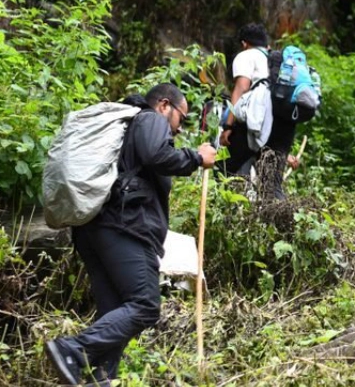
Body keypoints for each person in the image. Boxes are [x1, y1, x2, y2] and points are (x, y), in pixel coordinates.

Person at [45, 85, 217, 385]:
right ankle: (72, 349)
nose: (180, 128)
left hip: (95, 230)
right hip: (123, 228)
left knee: (114, 314)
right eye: (182, 118)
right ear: (165, 105)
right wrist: (196, 158)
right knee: (145, 304)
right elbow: (157, 155)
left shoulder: (130, 128)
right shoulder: (149, 119)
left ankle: (100, 379)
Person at [218, 24, 299, 195]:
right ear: (266, 44)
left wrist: (228, 126)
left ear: (244, 43)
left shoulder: (246, 55)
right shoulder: (278, 62)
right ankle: (284, 220)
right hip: (285, 120)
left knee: (224, 169)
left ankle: (230, 214)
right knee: (272, 185)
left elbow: (241, 88)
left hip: (258, 118)